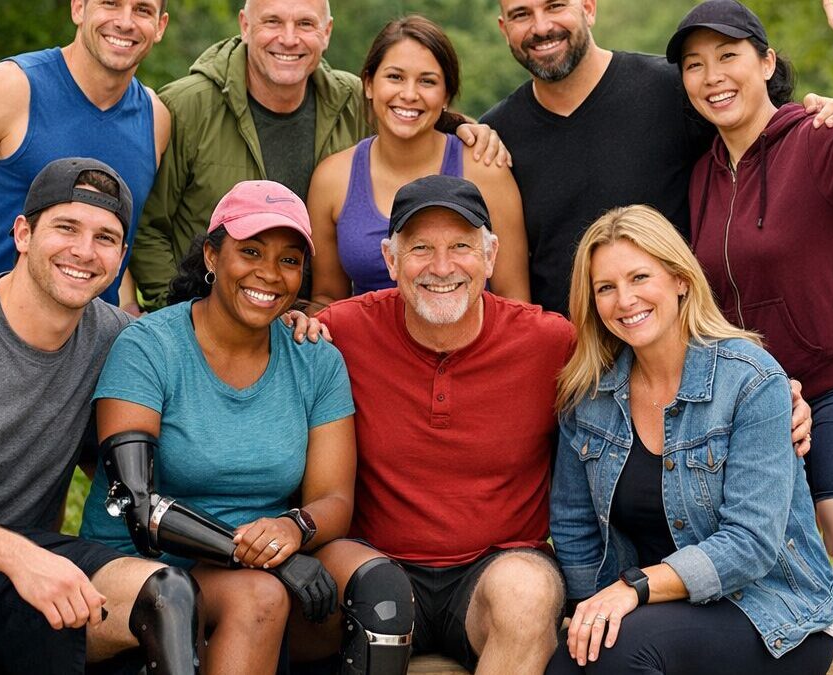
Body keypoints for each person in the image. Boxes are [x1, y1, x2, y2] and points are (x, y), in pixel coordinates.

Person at [670, 0, 833, 662]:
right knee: (765, 574)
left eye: (728, 56)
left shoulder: (819, 136)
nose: (712, 76)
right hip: (760, 407)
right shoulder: (701, 175)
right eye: (694, 65)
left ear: (766, 63)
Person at [81, 179, 416, 675]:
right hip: (147, 568)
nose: (270, 273)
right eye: (251, 251)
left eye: (289, 260)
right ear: (212, 256)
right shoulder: (149, 347)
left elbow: (333, 499)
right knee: (258, 596)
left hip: (269, 562)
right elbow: (137, 503)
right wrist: (267, 558)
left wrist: (294, 527)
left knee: (380, 587)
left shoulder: (315, 359)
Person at [0, 158, 202, 675]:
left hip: (23, 572)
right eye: (66, 227)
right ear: (23, 234)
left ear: (121, 257)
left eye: (105, 238)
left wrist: (288, 324)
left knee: (163, 595)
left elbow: (211, 347)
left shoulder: (118, 341)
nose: (84, 251)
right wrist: (15, 554)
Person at [547, 205, 833, 675]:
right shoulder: (590, 395)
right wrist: (592, 611)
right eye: (606, 287)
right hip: (656, 612)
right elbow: (574, 525)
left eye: (640, 277)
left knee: (621, 655)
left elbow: (750, 542)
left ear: (681, 280)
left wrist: (633, 588)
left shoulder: (750, 381)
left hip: (770, 609)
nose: (625, 300)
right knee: (572, 662)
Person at [312, 174, 573, 674]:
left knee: (527, 593)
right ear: (390, 260)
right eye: (420, 248)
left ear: (491, 257)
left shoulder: (549, 342)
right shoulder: (341, 331)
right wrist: (295, 322)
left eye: (461, 246)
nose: (441, 267)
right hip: (377, 565)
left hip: (496, 566)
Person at [481, 0, 833, 317]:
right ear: (503, 28)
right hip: (575, 364)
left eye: (555, 6)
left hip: (684, 352)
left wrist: (816, 113)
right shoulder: (496, 137)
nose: (541, 27)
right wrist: (460, 127)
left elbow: (760, 130)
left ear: (589, 8)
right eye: (521, 14)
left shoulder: (671, 89)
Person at [131, 0, 508, 310]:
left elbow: (409, 113)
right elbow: (148, 230)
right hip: (208, 316)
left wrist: (464, 126)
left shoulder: (347, 99)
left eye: (306, 24)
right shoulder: (186, 106)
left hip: (300, 325)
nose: (289, 38)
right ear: (244, 25)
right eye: (273, 21)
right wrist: (183, 315)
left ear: (327, 32)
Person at [0, 0, 171, 313]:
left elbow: (119, 230)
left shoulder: (156, 119)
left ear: (160, 26)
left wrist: (125, 305)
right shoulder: (7, 88)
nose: (125, 22)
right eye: (110, 3)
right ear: (78, 8)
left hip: (88, 340)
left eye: (142, 10)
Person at [307, 15, 529, 307]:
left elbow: (514, 298)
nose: (409, 94)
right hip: (365, 337)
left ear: (446, 95)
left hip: (471, 336)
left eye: (427, 81)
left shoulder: (484, 168)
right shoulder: (332, 178)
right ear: (369, 84)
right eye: (395, 77)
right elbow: (326, 298)